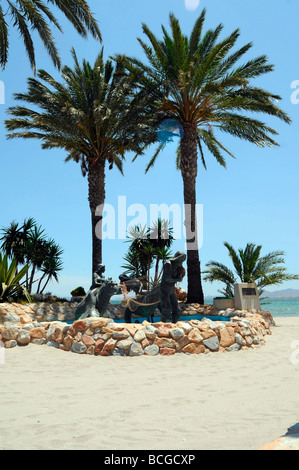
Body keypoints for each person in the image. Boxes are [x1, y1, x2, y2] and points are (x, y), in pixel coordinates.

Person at [159, 251, 186, 323]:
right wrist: (177, 279)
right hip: (164, 290)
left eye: (182, 261)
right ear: (177, 259)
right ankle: (161, 325)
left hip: (171, 290)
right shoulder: (168, 264)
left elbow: (180, 277)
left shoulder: (178, 267)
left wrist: (182, 274)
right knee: (167, 310)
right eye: (180, 260)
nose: (181, 262)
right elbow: (166, 278)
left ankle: (173, 324)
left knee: (177, 310)